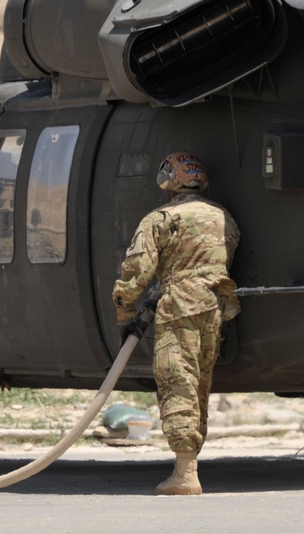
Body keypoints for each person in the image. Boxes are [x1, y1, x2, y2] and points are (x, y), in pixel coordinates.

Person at [112, 152, 241, 495]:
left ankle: (185, 472)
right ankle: (190, 463)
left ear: (169, 181)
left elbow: (138, 268)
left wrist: (124, 309)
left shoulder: (161, 218)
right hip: (213, 308)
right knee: (199, 385)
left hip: (179, 308)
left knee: (177, 382)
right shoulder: (222, 216)